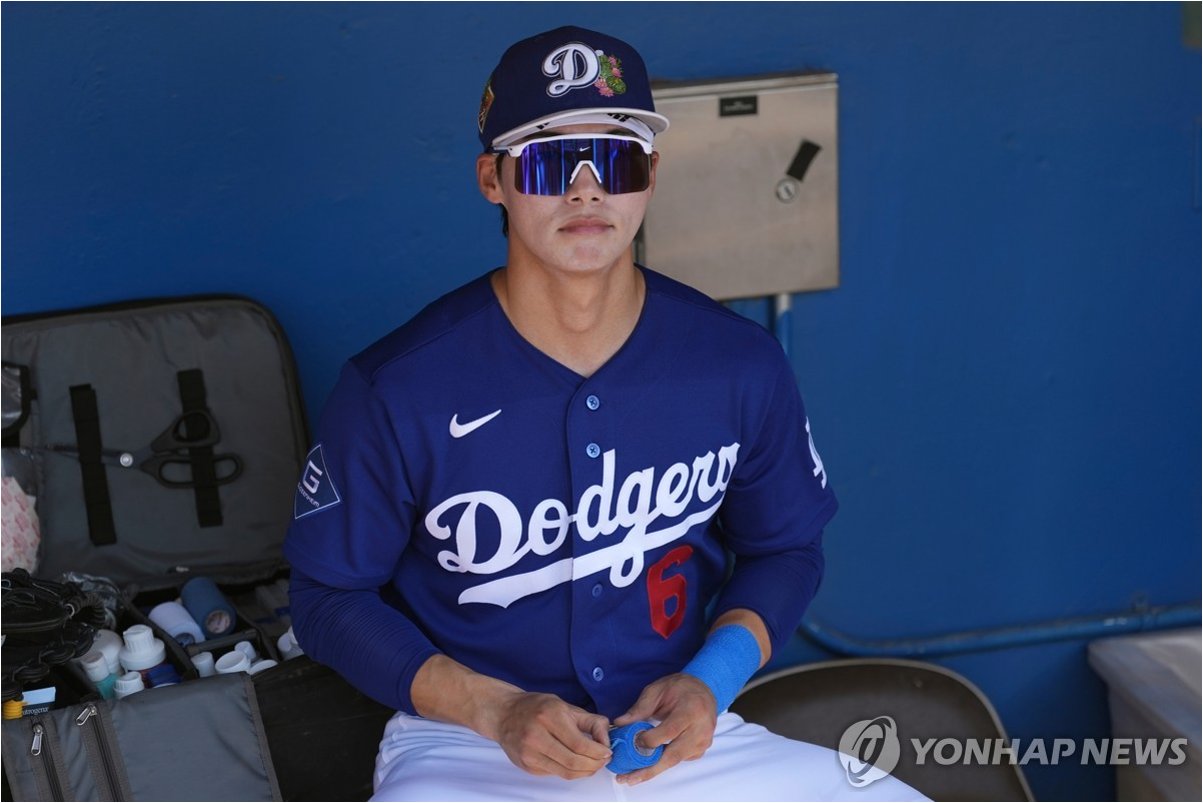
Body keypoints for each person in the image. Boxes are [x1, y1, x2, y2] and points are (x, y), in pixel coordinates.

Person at [284, 25, 926, 802]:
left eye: (616, 159)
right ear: (492, 179)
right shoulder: (396, 386)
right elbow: (327, 598)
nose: (586, 190)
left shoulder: (735, 361)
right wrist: (493, 707)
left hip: (679, 732)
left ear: (650, 176)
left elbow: (786, 547)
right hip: (467, 740)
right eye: (550, 160)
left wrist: (709, 681)